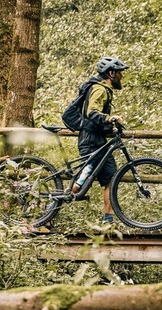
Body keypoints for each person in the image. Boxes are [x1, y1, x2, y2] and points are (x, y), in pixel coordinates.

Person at [72, 56, 128, 224]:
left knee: (111, 177)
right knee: (87, 174)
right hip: (90, 140)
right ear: (111, 73)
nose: (121, 77)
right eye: (119, 73)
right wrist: (108, 118)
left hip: (98, 139)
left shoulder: (104, 89)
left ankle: (108, 220)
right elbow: (92, 112)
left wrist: (110, 126)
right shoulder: (100, 89)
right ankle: (60, 198)